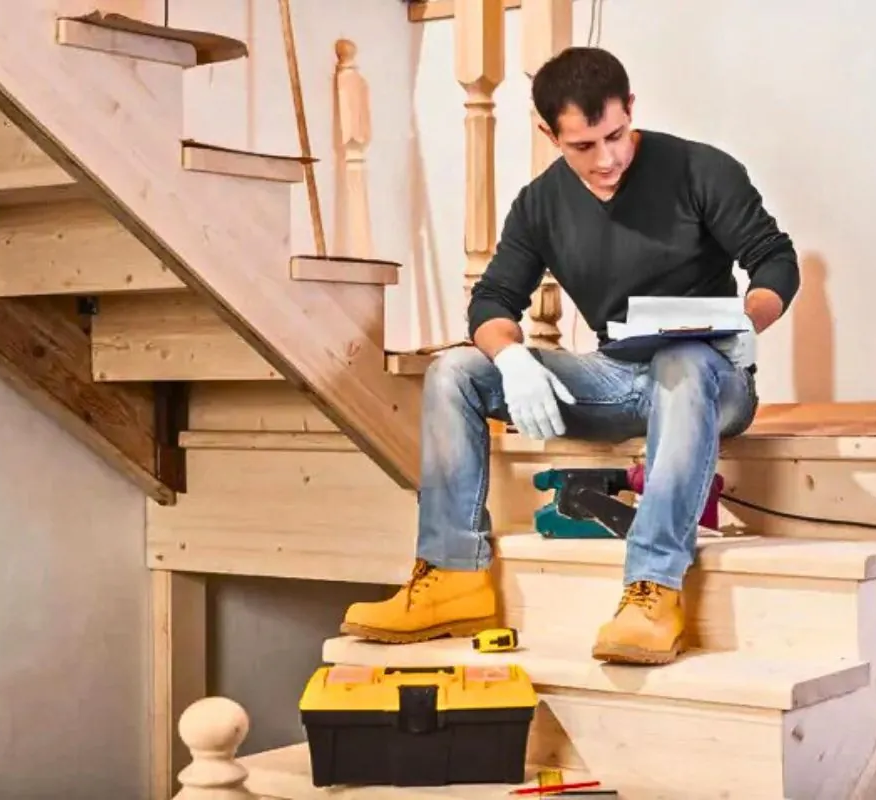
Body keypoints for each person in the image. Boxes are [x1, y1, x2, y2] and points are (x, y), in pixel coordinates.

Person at [340, 46, 798, 665]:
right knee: (456, 371)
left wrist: (751, 318)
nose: (606, 159)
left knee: (683, 362)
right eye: (583, 146)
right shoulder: (540, 205)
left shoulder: (700, 170)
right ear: (549, 134)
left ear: (630, 109)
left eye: (615, 134)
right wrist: (511, 359)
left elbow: (773, 258)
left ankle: (654, 588)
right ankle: (453, 577)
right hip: (618, 375)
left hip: (713, 374)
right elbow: (494, 300)